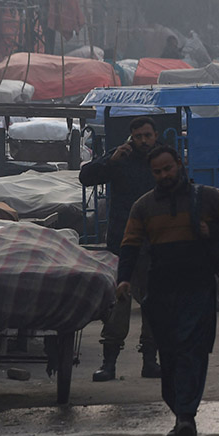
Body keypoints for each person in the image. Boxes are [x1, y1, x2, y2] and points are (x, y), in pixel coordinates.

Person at [118, 145, 219, 436]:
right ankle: (181, 413)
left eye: (168, 169)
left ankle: (185, 416)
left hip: (198, 288)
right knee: (171, 358)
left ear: (180, 164)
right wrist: (123, 279)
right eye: (157, 172)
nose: (164, 175)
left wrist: (209, 230)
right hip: (161, 291)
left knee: (192, 353)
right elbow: (130, 244)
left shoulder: (208, 197)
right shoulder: (144, 206)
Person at [79, 116, 162, 382]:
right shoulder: (119, 158)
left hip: (156, 244)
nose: (143, 141)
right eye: (138, 136)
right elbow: (86, 177)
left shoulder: (163, 161)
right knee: (118, 304)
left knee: (154, 304)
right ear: (131, 137)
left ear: (155, 136)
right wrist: (110, 160)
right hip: (123, 242)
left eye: (147, 135)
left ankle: (151, 361)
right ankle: (109, 364)